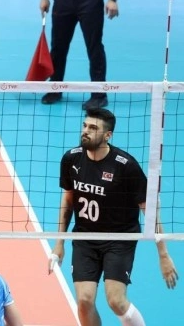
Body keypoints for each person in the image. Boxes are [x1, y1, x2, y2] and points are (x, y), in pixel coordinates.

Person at [49, 107, 179, 326]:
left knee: (116, 301)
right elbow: (68, 200)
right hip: (85, 238)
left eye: (93, 128)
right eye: (84, 125)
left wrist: (163, 255)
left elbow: (149, 211)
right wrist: (59, 243)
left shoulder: (126, 166)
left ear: (107, 135)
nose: (85, 131)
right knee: (84, 300)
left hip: (119, 238)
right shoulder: (71, 159)